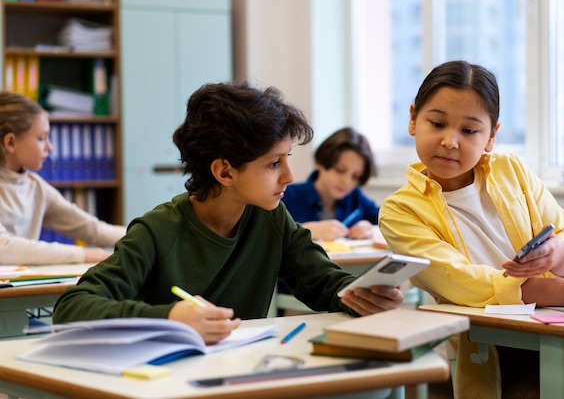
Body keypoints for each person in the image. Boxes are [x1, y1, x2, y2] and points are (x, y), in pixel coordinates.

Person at [52, 81, 404, 345]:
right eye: (273, 163)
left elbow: (324, 282)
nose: (289, 176)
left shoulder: (272, 218)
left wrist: (360, 295)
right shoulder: (157, 230)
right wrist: (172, 317)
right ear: (224, 172)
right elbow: (72, 307)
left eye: (287, 159)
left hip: (240, 373)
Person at [378, 60, 564, 399]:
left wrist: (557, 253)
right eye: (437, 123)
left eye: (469, 131)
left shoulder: (512, 171)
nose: (450, 141)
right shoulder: (400, 210)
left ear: (491, 136)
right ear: (412, 119)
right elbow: (466, 285)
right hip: (499, 355)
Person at [0, 91, 126, 265]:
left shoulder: (36, 188)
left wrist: (149, 234)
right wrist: (82, 254)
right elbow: (3, 248)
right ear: (10, 143)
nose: (50, 147)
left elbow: (94, 230)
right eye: (41, 138)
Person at [281, 127, 379, 241]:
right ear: (320, 162)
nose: (346, 182)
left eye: (355, 176)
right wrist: (305, 231)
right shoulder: (287, 196)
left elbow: (388, 221)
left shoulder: (356, 197)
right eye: (340, 170)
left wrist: (370, 229)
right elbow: (265, 235)